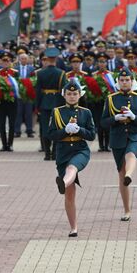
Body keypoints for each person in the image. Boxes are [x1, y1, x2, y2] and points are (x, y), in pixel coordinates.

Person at [48, 79, 95, 236]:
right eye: (69, 94)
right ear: (64, 95)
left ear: (80, 95)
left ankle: (63, 181)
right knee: (70, 193)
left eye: (75, 94)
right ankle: (73, 227)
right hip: (63, 151)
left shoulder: (85, 112)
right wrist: (65, 131)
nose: (72, 96)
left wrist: (79, 130)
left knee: (72, 167)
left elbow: (92, 135)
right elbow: (50, 134)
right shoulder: (57, 112)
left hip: (80, 150)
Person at [101, 68, 137, 221]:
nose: (125, 82)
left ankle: (129, 174)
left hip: (134, 135)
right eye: (122, 80)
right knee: (121, 173)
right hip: (117, 138)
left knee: (131, 154)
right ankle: (127, 210)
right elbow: (103, 122)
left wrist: (134, 117)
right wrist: (115, 118)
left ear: (132, 81)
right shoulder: (110, 99)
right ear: (118, 82)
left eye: (127, 80)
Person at [35, 47, 68, 160]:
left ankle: (47, 153)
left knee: (45, 128)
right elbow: (64, 91)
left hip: (44, 103)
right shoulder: (61, 73)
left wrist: (37, 106)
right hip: (57, 103)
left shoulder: (40, 73)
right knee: (57, 127)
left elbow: (38, 91)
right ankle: (54, 153)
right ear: (56, 60)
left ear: (47, 59)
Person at [0, 51, 19, 152]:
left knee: (12, 123)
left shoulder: (15, 73)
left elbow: (19, 86)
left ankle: (11, 144)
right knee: (1, 123)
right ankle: (4, 144)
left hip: (12, 101)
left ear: (11, 62)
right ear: (1, 62)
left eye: (8, 61)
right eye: (4, 61)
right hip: (1, 102)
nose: (6, 63)